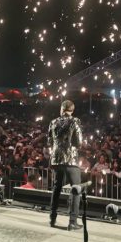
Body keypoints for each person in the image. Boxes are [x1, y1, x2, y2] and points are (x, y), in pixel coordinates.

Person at [48, 99, 83, 231]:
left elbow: (49, 141)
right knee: (76, 189)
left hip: (56, 159)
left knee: (56, 188)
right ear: (72, 110)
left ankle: (52, 218)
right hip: (70, 160)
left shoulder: (53, 122)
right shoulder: (75, 121)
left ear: (62, 109)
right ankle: (72, 222)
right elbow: (79, 142)